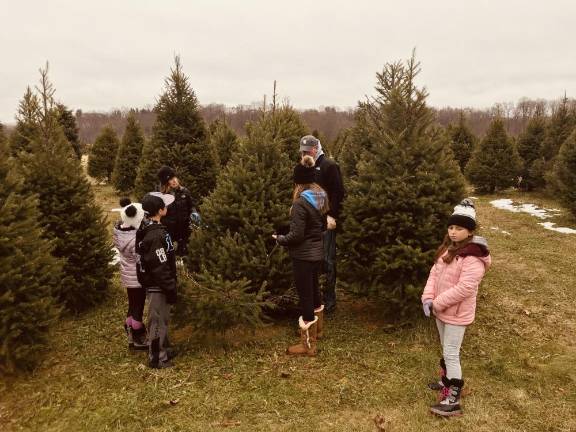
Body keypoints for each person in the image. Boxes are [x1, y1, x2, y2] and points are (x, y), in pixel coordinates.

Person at [421, 199, 492, 416]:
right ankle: (446, 381)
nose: (453, 232)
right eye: (451, 227)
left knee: (451, 353)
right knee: (445, 348)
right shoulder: (448, 249)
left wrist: (438, 303)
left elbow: (465, 288)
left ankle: (453, 398)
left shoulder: (473, 256)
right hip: (440, 310)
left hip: (456, 314)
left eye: (459, 228)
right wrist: (427, 297)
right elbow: (434, 274)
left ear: (469, 231)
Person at [273, 155, 329, 356]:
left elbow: (296, 235)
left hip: (303, 256)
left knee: (305, 295)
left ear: (297, 182)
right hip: (316, 252)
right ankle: (319, 331)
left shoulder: (299, 204)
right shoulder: (320, 196)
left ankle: (307, 345)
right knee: (314, 291)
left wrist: (279, 238)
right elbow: (320, 227)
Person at [299, 135, 345, 313]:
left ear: (315, 149)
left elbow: (338, 192)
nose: (304, 154)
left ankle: (330, 300)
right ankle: (315, 298)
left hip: (325, 221)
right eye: (302, 151)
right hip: (309, 220)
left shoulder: (329, 165)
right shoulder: (305, 166)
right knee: (312, 260)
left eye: (307, 151)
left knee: (327, 260)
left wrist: (332, 216)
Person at [136, 192, 178, 369]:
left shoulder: (155, 230)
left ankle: (165, 348)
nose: (167, 208)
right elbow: (159, 266)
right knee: (157, 321)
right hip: (157, 285)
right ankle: (157, 357)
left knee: (163, 319)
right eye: (165, 206)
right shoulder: (155, 236)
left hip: (159, 284)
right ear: (160, 211)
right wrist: (170, 286)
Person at [112, 198, 147, 350]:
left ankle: (129, 330)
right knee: (138, 306)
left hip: (127, 275)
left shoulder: (119, 231)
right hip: (136, 278)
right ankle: (138, 335)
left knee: (132, 303)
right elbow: (140, 259)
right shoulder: (134, 239)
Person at [157, 166, 198, 257]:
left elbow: (191, 206)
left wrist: (194, 212)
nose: (174, 181)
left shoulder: (184, 191)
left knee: (184, 252)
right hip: (170, 230)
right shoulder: (163, 196)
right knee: (170, 254)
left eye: (174, 177)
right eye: (170, 179)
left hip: (184, 228)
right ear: (166, 183)